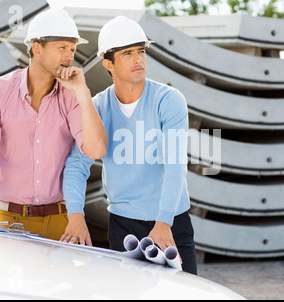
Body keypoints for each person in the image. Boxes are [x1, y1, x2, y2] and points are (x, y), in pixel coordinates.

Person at [62, 16, 197, 274]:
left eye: (141, 51)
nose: (138, 59)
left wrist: (163, 222)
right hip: (124, 225)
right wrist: (76, 215)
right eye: (127, 53)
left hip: (171, 221)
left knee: (183, 299)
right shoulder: (98, 108)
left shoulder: (168, 100)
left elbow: (175, 163)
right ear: (108, 63)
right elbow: (77, 164)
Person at [0, 8, 107, 241]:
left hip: (61, 223)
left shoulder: (71, 96)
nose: (70, 56)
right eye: (62, 47)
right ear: (37, 48)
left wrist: (82, 92)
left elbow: (95, 149)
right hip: (10, 221)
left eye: (72, 49)